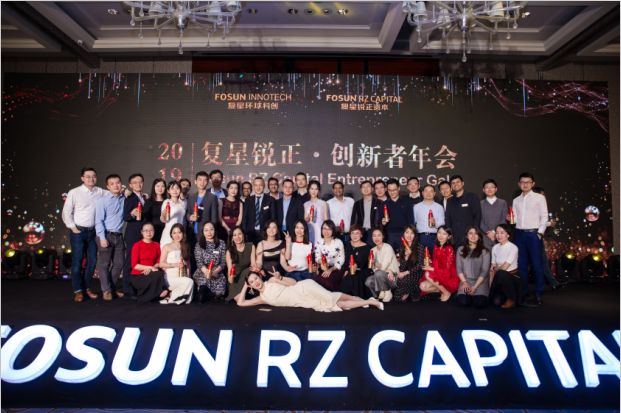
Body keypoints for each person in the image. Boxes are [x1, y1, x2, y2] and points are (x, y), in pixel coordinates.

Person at [236, 272, 384, 311]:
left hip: (305, 287)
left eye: (256, 278)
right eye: (252, 282)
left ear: (260, 277)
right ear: (251, 286)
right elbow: (241, 303)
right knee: (336, 304)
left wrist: (280, 278)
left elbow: (294, 283)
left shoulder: (271, 281)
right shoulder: (262, 298)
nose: (255, 282)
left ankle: (370, 302)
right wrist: (245, 285)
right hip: (306, 301)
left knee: (332, 298)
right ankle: (368, 301)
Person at [62, 167, 104, 302]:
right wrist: (73, 227)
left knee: (92, 261)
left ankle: (87, 288)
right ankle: (78, 291)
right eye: (88, 176)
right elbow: (66, 211)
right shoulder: (74, 192)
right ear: (82, 178)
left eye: (93, 176)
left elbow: (114, 192)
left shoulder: (99, 191)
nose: (91, 179)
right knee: (77, 262)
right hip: (78, 232)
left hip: (92, 232)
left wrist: (125, 190)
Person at [512, 172, 548, 306]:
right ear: (519, 184)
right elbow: (514, 218)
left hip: (533, 234)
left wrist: (540, 233)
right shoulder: (516, 200)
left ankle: (539, 292)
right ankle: (524, 291)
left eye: (528, 182)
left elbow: (544, 216)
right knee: (521, 265)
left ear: (533, 184)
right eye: (522, 182)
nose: (525, 184)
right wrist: (510, 219)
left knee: (536, 265)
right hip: (519, 234)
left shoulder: (539, 198)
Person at [94, 174, 126, 301]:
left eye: (118, 182)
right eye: (112, 184)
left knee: (119, 263)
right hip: (106, 235)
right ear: (107, 187)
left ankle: (111, 288)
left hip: (119, 235)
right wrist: (102, 238)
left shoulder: (124, 198)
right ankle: (106, 290)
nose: (116, 185)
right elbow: (98, 220)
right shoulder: (102, 200)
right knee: (104, 264)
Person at [186, 171, 220, 271]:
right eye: (200, 180)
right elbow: (187, 213)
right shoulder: (191, 197)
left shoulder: (212, 197)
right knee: (193, 258)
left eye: (205, 180)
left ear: (208, 182)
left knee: (205, 259)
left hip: (206, 235)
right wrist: (190, 217)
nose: (202, 182)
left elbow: (214, 219)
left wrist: (211, 234)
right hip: (192, 233)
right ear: (195, 181)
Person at [129, 223, 169, 304]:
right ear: (142, 232)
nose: (148, 233)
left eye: (151, 230)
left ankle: (151, 296)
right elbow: (134, 265)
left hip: (152, 272)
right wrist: (149, 268)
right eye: (146, 231)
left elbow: (159, 261)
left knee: (159, 273)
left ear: (154, 232)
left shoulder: (156, 245)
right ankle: (154, 295)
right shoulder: (137, 245)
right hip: (138, 274)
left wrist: (152, 268)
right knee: (157, 275)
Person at [420, 225, 459, 302]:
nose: (441, 235)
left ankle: (446, 292)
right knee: (422, 286)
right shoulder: (436, 247)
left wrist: (431, 269)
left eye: (444, 234)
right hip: (439, 273)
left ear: (449, 237)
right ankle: (442, 289)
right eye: (439, 232)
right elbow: (436, 263)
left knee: (428, 274)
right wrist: (430, 262)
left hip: (448, 275)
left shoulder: (449, 249)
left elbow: (447, 270)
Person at [123, 173, 146, 298]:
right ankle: (128, 289)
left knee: (140, 261)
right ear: (130, 185)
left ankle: (138, 287)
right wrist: (132, 213)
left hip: (143, 234)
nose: (138, 184)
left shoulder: (144, 197)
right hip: (133, 234)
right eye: (135, 182)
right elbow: (125, 216)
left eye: (140, 182)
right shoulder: (129, 197)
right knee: (130, 261)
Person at [159, 223, 194, 304]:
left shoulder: (185, 246)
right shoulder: (167, 246)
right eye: (174, 233)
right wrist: (175, 265)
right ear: (171, 234)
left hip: (182, 275)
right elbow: (161, 264)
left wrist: (188, 275)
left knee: (189, 283)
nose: (177, 235)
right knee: (189, 282)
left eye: (179, 232)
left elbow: (188, 265)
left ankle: (170, 297)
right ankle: (172, 298)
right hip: (170, 278)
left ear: (183, 233)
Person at [456, 227, 491, 308]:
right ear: (467, 236)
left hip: (480, 283)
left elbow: (485, 271)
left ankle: (477, 295)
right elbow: (459, 268)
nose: (473, 236)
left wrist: (475, 287)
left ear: (479, 236)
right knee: (463, 302)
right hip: (466, 281)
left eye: (476, 233)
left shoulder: (485, 251)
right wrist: (464, 283)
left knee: (479, 303)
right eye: (470, 233)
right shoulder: (460, 249)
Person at [193, 222, 227, 302]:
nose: (209, 232)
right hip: (203, 271)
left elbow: (223, 262)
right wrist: (207, 272)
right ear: (203, 232)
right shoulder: (198, 244)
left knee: (220, 292)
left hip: (216, 271)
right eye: (206, 230)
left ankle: (212, 295)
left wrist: (215, 272)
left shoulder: (221, 243)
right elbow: (199, 262)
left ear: (215, 230)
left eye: (211, 229)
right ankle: (203, 292)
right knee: (204, 283)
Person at [489, 224, 520, 309]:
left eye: (502, 233)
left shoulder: (513, 248)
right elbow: (492, 269)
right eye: (497, 233)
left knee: (501, 273)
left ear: (508, 235)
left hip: (512, 278)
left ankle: (512, 299)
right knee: (495, 302)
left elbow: (504, 268)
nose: (498, 235)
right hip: (499, 279)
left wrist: (496, 268)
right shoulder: (495, 247)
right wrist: (490, 287)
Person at [445, 175, 482, 246]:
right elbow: (448, 218)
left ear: (462, 183)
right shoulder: (449, 200)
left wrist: (474, 233)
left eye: (458, 182)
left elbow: (477, 215)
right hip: (455, 237)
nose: (455, 184)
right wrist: (449, 233)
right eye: (453, 183)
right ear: (451, 186)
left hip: (469, 236)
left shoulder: (472, 196)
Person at [365, 227, 399, 302]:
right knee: (368, 281)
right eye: (374, 235)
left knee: (378, 273)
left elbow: (383, 266)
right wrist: (388, 270)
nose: (376, 238)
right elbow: (373, 268)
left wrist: (389, 271)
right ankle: (378, 295)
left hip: (393, 276)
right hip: (382, 275)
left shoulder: (388, 247)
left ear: (383, 236)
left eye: (379, 235)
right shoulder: (372, 250)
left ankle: (387, 292)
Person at [225, 226, 257, 301]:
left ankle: (248, 292)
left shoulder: (251, 246)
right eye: (234, 235)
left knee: (248, 270)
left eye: (239, 234)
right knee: (238, 298)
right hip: (235, 278)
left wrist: (256, 269)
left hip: (247, 275)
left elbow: (253, 264)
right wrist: (231, 278)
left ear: (243, 235)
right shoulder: (229, 251)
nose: (237, 237)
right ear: (232, 238)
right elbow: (230, 272)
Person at [381, 178, 413, 251]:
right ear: (387, 190)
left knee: (404, 255)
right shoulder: (383, 204)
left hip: (404, 234)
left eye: (394, 190)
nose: (392, 192)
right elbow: (379, 222)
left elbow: (411, 221)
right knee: (389, 256)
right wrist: (383, 223)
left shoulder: (407, 203)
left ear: (399, 188)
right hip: (389, 235)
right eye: (390, 190)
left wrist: (409, 235)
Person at [312, 220, 345, 291]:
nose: (326, 231)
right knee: (318, 280)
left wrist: (330, 269)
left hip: (336, 268)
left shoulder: (339, 242)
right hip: (323, 266)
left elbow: (340, 260)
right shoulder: (319, 242)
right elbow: (317, 257)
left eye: (329, 229)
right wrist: (322, 263)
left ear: (333, 230)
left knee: (328, 281)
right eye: (324, 228)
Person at [242, 176, 276, 244]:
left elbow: (273, 218)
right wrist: (244, 233)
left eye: (260, 185)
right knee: (250, 250)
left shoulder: (270, 200)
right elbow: (245, 218)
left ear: (264, 186)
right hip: (250, 233)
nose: (258, 187)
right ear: (253, 186)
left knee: (263, 251)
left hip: (265, 233)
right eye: (256, 185)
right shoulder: (248, 200)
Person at [394, 225, 424, 302]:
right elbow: (401, 268)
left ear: (415, 235)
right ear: (404, 234)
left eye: (412, 233)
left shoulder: (419, 247)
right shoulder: (401, 247)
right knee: (397, 298)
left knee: (402, 282)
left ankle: (413, 291)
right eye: (407, 232)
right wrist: (406, 257)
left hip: (416, 273)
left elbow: (420, 265)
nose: (409, 235)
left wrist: (406, 273)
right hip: (404, 273)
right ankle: (412, 293)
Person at [413, 184, 445, 256]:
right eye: (426, 191)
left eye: (431, 191)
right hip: (420, 237)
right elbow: (413, 222)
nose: (428, 193)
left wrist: (435, 223)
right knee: (420, 259)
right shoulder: (416, 207)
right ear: (422, 193)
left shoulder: (439, 207)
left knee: (435, 258)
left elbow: (442, 223)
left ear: (434, 193)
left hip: (434, 237)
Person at [341, 224, 371, 298]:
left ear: (361, 235)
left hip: (362, 270)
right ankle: (345, 298)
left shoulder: (367, 247)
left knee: (354, 276)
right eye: (352, 233)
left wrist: (354, 267)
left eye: (357, 233)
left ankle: (358, 299)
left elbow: (362, 262)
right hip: (349, 269)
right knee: (347, 276)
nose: (355, 235)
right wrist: (346, 270)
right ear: (350, 235)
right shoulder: (347, 245)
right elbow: (346, 261)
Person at [480, 179, 508, 250]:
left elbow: (503, 219)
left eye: (492, 187)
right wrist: (489, 233)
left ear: (496, 189)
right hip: (485, 236)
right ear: (483, 190)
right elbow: (480, 221)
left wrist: (494, 232)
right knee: (486, 256)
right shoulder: (480, 204)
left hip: (500, 236)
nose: (489, 189)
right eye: (487, 187)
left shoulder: (502, 203)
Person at [159, 181, 186, 250]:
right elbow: (162, 219)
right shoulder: (167, 202)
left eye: (177, 188)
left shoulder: (183, 203)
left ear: (180, 190)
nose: (175, 190)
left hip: (180, 232)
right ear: (168, 191)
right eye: (172, 188)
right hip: (170, 231)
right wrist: (163, 216)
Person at [304, 180, 328, 245]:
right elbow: (305, 220)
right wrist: (308, 217)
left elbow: (326, 220)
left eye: (316, 189)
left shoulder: (323, 203)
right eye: (312, 189)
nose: (314, 191)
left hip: (320, 229)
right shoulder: (305, 204)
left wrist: (326, 231)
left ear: (318, 190)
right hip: (309, 229)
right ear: (308, 190)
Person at [144, 178, 166, 243]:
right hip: (152, 232)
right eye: (157, 186)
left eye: (162, 186)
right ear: (154, 187)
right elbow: (145, 219)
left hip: (165, 231)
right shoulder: (148, 202)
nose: (160, 188)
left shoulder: (167, 202)